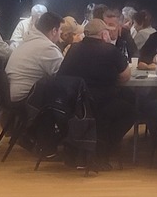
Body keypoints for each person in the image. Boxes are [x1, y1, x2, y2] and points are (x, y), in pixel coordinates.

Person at [58, 17, 136, 165]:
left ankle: (86, 145)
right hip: (100, 104)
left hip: (73, 105)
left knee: (126, 98)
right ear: (103, 34)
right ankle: (104, 146)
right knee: (131, 111)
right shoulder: (110, 50)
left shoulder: (73, 49)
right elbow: (126, 76)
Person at [4, 10, 65, 104]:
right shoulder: (47, 48)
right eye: (60, 29)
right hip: (26, 100)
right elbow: (64, 74)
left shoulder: (26, 42)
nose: (61, 32)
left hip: (10, 96)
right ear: (54, 31)